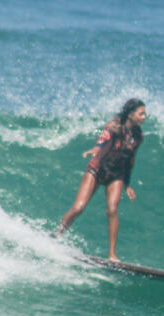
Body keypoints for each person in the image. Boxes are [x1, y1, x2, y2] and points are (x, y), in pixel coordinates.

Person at [56, 98, 146, 261]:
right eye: (141, 114)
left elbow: (130, 160)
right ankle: (56, 236)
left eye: (144, 114)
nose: (144, 117)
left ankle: (112, 255)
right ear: (131, 114)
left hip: (116, 175)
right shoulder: (114, 126)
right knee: (79, 208)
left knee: (112, 210)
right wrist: (96, 148)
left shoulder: (138, 135)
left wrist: (127, 184)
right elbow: (104, 140)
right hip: (97, 169)